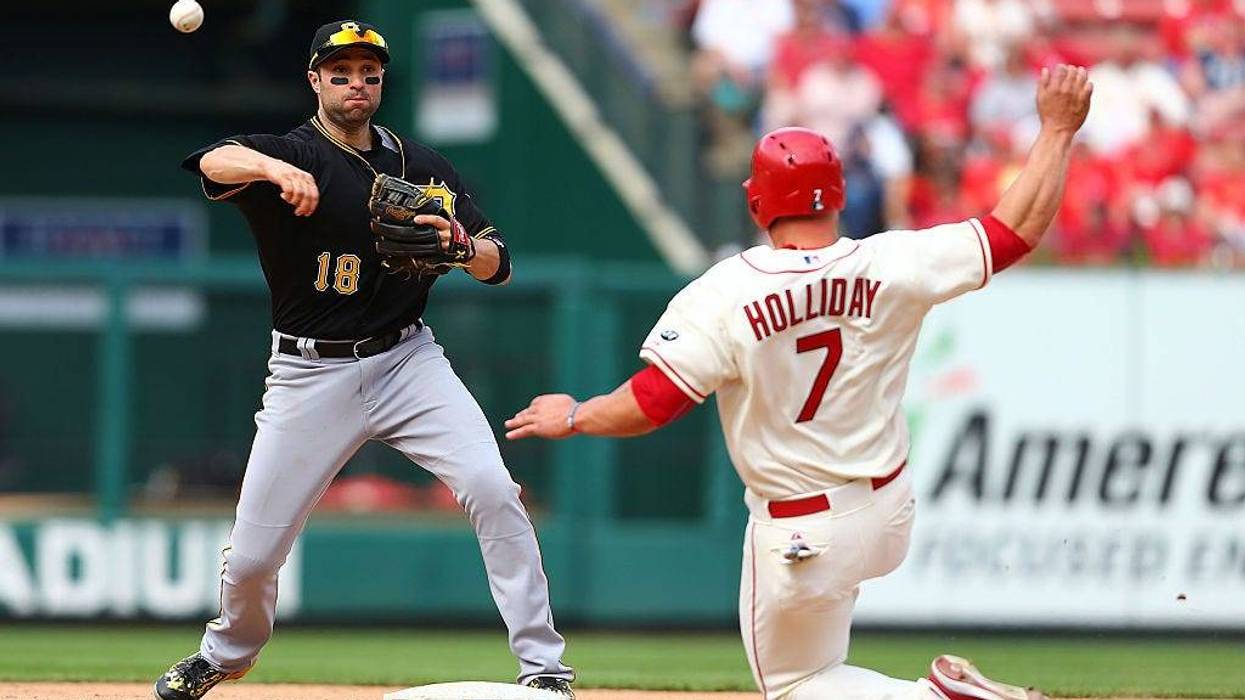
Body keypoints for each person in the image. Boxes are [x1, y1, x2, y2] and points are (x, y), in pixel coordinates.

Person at [505, 64, 1094, 700]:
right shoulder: (894, 261)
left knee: (796, 684)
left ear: (756, 199)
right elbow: (1015, 231)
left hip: (802, 530)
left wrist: (574, 414)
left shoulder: (727, 291)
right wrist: (1058, 130)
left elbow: (656, 402)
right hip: (889, 509)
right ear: (838, 193)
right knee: (820, 660)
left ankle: (937, 697)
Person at [153, 20, 574, 700]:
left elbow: (500, 264)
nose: (356, 83)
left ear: (380, 82)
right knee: (255, 556)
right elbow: (211, 160)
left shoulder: (425, 166)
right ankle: (226, 653)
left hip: (407, 361)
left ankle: (544, 668)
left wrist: (463, 247)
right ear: (315, 80)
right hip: (308, 374)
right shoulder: (289, 152)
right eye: (340, 72)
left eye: (368, 73)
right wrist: (271, 167)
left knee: (494, 490)